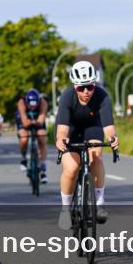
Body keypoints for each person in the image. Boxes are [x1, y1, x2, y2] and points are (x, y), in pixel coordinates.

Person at [55, 61, 118, 229]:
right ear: (74, 87)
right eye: (81, 88)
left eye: (89, 87)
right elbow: (62, 130)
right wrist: (61, 140)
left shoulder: (102, 96)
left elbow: (109, 127)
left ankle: (99, 203)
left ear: (94, 84)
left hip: (93, 127)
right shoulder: (67, 97)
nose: (85, 92)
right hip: (72, 129)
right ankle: (65, 209)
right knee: (72, 169)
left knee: (96, 158)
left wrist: (112, 138)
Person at [18, 89, 48, 184]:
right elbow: (25, 122)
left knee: (42, 136)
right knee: (24, 138)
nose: (33, 106)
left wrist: (37, 122)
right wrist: (28, 123)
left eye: (35, 103)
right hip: (24, 121)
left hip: (37, 121)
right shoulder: (21, 102)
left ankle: (42, 167)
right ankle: (23, 158)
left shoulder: (43, 102)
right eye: (30, 104)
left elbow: (41, 120)